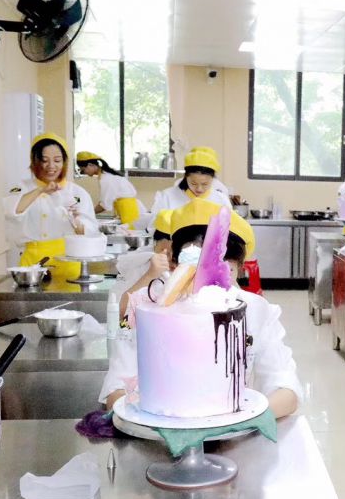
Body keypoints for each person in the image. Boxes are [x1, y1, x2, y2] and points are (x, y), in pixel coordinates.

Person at [100, 199, 301, 419]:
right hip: (157, 427)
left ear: (240, 270)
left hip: (233, 431)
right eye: (194, 272)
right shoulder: (149, 312)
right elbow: (116, 391)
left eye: (224, 273)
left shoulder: (255, 310)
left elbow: (286, 389)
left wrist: (243, 422)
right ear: (175, 264)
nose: (206, 286)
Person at [4, 133, 98, 278]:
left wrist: (76, 221)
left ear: (64, 162)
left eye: (57, 160)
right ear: (35, 161)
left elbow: (91, 232)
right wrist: (40, 190)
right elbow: (11, 211)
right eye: (44, 160)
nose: (51, 166)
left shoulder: (77, 193)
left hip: (68, 259)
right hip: (33, 264)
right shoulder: (23, 187)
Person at [142, 147, 232, 232]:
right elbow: (152, 228)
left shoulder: (221, 200)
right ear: (186, 177)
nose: (199, 189)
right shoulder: (167, 197)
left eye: (205, 184)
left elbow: (230, 229)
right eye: (193, 183)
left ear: (213, 179)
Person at [76, 151, 149, 228]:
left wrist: (88, 213)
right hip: (130, 211)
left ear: (90, 165)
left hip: (130, 213)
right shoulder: (107, 175)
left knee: (131, 232)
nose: (84, 173)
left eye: (83, 170)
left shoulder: (106, 179)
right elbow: (105, 201)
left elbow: (104, 205)